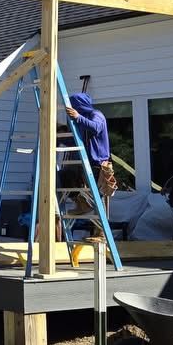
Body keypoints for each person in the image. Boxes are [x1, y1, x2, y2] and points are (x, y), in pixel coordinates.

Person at [64, 93, 117, 238]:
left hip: (97, 163)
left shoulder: (96, 115)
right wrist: (60, 136)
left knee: (98, 197)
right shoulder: (80, 121)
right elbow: (77, 141)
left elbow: (96, 128)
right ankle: (82, 204)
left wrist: (78, 117)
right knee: (66, 176)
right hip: (83, 162)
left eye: (74, 105)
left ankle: (101, 232)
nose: (73, 108)